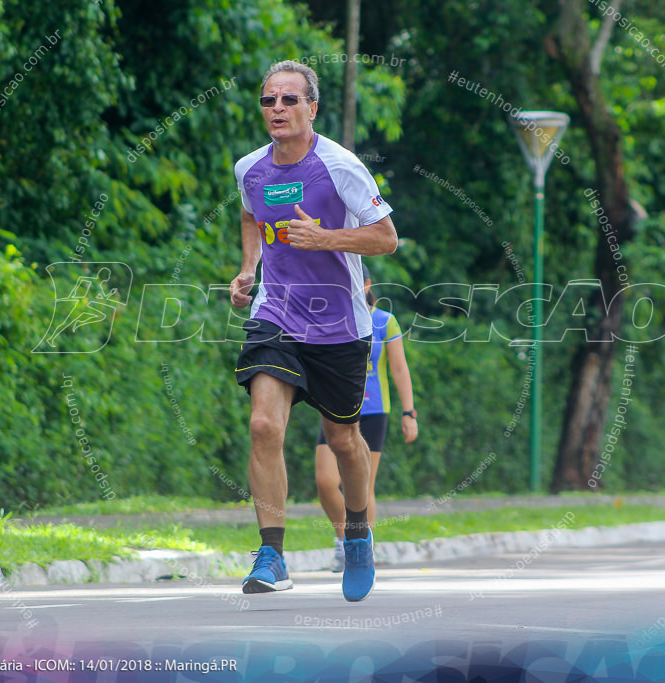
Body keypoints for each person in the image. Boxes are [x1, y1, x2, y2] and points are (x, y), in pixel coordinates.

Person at [229, 60, 397, 602]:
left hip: (338, 323)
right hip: (276, 311)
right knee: (262, 425)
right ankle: (272, 553)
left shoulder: (341, 167)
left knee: (345, 439)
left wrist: (324, 239)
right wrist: (249, 269)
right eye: (268, 100)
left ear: (312, 108)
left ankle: (357, 531)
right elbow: (252, 216)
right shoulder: (249, 169)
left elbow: (385, 239)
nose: (276, 109)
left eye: (288, 100)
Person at [315, 264, 417, 571]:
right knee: (325, 481)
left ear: (367, 283)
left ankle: (361, 550)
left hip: (373, 410)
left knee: (362, 485)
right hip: (334, 408)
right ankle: (342, 540)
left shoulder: (384, 322)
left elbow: (399, 369)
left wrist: (408, 412)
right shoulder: (332, 317)